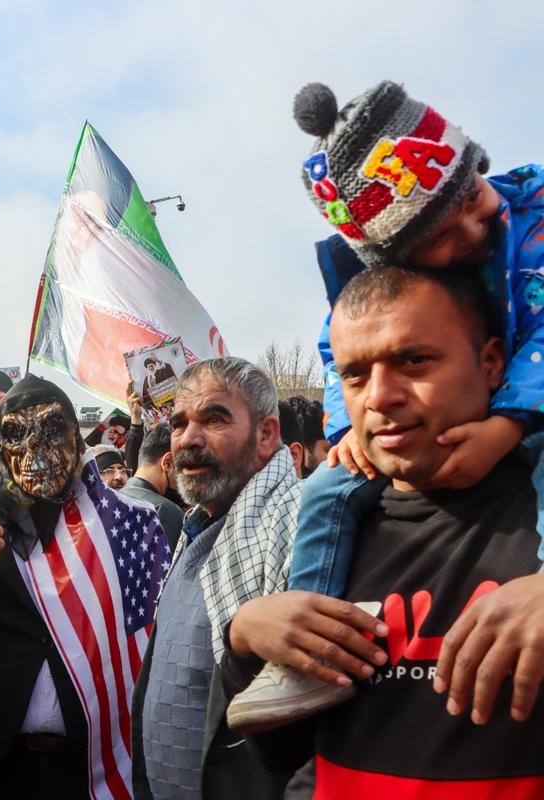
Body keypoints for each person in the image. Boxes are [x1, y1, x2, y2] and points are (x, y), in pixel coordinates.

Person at [235, 79, 544, 726]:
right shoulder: (377, 295)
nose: (473, 228)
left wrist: (509, 424)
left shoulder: (535, 214)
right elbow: (336, 352)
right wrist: (348, 429)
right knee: (327, 486)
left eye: (470, 196)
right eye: (439, 235)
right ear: (396, 263)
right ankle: (307, 651)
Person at [223, 265, 544, 796]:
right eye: (354, 375)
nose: (379, 396)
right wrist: (244, 640)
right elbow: (281, 754)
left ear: (491, 363)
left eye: (414, 361)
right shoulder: (327, 535)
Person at [0, 375, 169, 799]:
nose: (36, 447)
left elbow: (150, 636)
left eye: (52, 428)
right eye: (17, 433)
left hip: (92, 763)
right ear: (1, 448)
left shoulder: (119, 525)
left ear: (77, 439)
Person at [131, 357, 299, 800]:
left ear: (266, 435)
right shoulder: (196, 526)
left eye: (214, 419)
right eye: (179, 423)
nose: (188, 438)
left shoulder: (296, 524)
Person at [120, 422, 184, 551]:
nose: (187, 474)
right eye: (185, 465)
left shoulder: (111, 499)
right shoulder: (166, 510)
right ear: (168, 463)